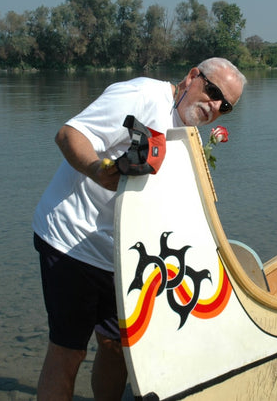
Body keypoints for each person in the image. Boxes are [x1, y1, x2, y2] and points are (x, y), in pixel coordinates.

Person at [32, 57, 246, 400]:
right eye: (213, 91)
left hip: (120, 253)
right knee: (68, 350)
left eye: (226, 106)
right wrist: (99, 169)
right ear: (192, 76)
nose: (215, 105)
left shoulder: (187, 137)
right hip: (72, 238)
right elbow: (69, 134)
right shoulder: (142, 96)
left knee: (118, 347)